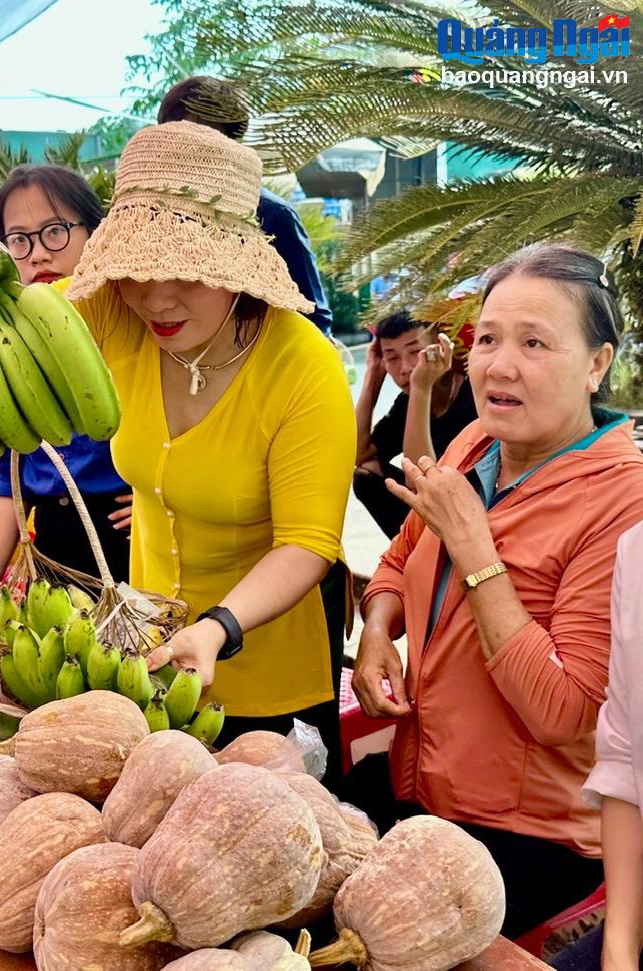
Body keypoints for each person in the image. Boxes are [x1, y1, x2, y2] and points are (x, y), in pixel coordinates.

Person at [0, 122, 355, 778]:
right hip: (146, 652)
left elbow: (307, 543)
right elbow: (12, 316)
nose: (155, 297)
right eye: (135, 271)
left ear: (236, 268)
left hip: (266, 658)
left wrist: (218, 628)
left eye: (185, 273)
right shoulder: (114, 315)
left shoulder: (303, 367)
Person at [348, 244, 643, 939]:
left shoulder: (624, 505)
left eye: (534, 343)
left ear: (597, 364)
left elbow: (564, 711)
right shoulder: (474, 445)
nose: (499, 365)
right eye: (487, 339)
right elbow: (398, 559)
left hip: (529, 836)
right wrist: (378, 631)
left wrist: (474, 547)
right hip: (419, 781)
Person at [0, 164, 133, 584]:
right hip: (53, 549)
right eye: (19, 240)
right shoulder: (6, 349)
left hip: (130, 539)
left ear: (95, 232)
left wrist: (162, 501)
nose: (38, 253)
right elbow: (12, 479)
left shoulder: (135, 329)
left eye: (55, 231)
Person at [157, 76, 333, 335]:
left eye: (205, 136)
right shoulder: (154, 215)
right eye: (175, 136)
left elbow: (314, 316)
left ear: (231, 141)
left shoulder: (271, 215)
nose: (188, 148)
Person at [559, 523, 643, 971]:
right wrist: (620, 947)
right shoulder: (635, 550)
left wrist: (478, 559)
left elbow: (555, 708)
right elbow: (625, 757)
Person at [354, 311, 478, 537]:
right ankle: (411, 553)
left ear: (441, 347)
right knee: (366, 474)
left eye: (415, 352)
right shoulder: (407, 402)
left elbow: (421, 482)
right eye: (392, 357)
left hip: (474, 515)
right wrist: (372, 377)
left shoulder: (474, 395)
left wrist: (421, 387)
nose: (405, 368)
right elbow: (358, 453)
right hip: (432, 518)